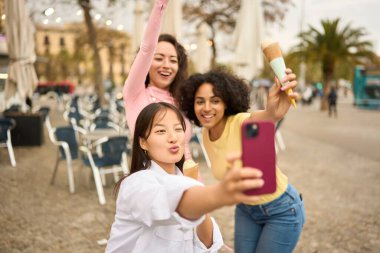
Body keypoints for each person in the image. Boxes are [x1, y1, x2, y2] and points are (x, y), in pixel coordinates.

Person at [105, 102, 265, 253]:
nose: (173, 137)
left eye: (178, 129)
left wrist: (195, 184)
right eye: (161, 131)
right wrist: (220, 193)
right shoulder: (135, 184)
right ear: (143, 143)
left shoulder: (189, 184)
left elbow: (207, 242)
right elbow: (171, 201)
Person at [178, 69, 305, 253]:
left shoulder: (240, 122)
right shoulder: (207, 133)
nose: (206, 108)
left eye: (215, 100)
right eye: (200, 101)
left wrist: (272, 112)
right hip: (246, 210)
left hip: (282, 210)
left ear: (226, 103)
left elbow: (262, 118)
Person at [123, 0, 193, 160]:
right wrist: (160, 6)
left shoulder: (180, 99)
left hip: (186, 180)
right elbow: (147, 49)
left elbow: (185, 152)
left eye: (173, 60)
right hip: (151, 180)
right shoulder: (135, 94)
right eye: (159, 58)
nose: (166, 65)